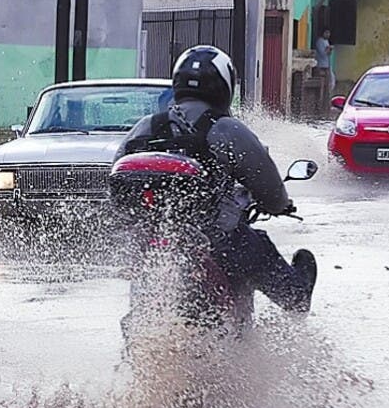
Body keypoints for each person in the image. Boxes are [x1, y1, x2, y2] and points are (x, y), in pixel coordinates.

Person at [117, 46, 318, 313]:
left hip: (152, 243)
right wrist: (279, 205)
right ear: (225, 87)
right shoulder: (226, 129)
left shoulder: (145, 127)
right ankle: (297, 296)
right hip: (218, 242)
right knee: (260, 248)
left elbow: (117, 181)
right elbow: (269, 188)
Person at [315, 29, 335, 94]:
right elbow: (323, 53)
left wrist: (329, 49)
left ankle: (327, 94)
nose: (328, 34)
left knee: (330, 81)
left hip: (327, 65)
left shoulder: (326, 41)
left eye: (329, 33)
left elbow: (328, 54)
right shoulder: (320, 41)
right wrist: (328, 49)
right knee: (322, 81)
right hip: (321, 65)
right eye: (326, 33)